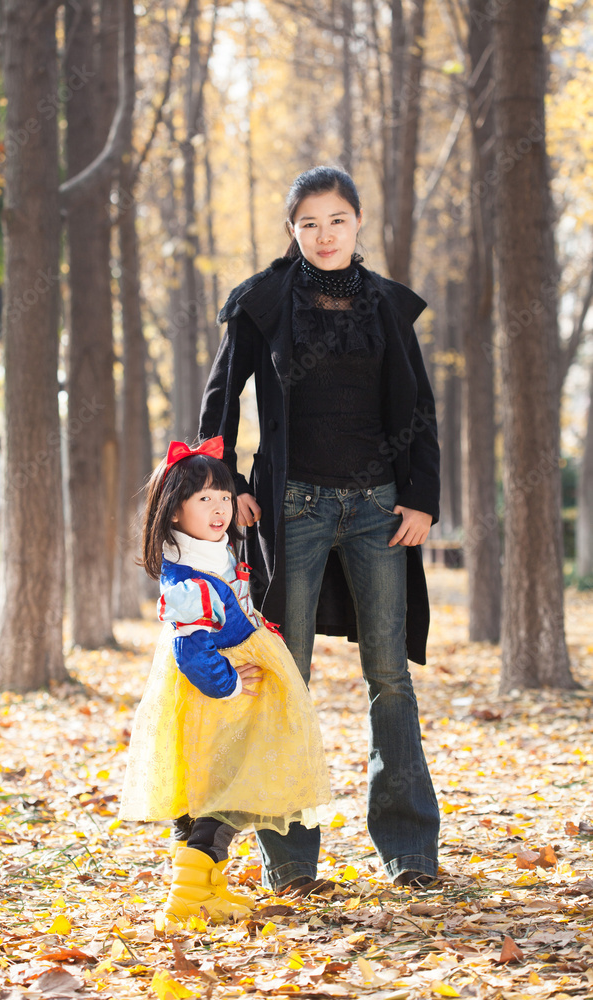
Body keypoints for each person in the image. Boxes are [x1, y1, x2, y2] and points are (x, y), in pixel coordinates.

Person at [199, 165, 441, 890]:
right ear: (292, 231)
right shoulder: (263, 302)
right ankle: (291, 858)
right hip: (292, 509)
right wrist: (230, 486)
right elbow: (220, 401)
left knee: (389, 679)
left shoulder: (390, 308)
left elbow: (418, 409)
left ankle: (409, 851)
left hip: (378, 510)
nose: (324, 234)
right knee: (286, 678)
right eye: (309, 223)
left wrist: (421, 499)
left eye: (336, 220)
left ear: (357, 223)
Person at [118, 437, 330, 923]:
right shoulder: (190, 581)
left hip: (225, 688)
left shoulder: (213, 553)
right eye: (203, 499)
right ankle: (185, 897)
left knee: (221, 784)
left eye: (224, 497)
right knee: (224, 787)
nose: (218, 509)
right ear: (174, 512)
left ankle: (208, 887)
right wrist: (229, 683)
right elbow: (191, 650)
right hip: (212, 696)